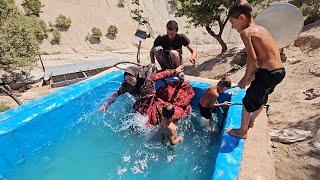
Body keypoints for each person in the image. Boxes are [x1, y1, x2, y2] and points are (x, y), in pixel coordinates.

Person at [226, 4, 286, 138]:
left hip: (267, 73)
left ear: (241, 18)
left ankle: (242, 131)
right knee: (262, 97)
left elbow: (252, 57)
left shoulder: (245, 33)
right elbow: (263, 55)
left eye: (232, 22)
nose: (232, 26)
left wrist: (246, 78)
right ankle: (251, 120)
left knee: (248, 101)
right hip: (279, 71)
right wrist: (254, 75)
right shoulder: (261, 29)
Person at [99, 64, 193, 126]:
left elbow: (163, 74)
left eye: (131, 79)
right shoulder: (126, 85)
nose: (129, 82)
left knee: (170, 116)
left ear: (136, 76)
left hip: (152, 102)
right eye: (127, 80)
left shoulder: (147, 80)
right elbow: (116, 94)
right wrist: (106, 105)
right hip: (140, 105)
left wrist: (175, 71)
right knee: (137, 125)